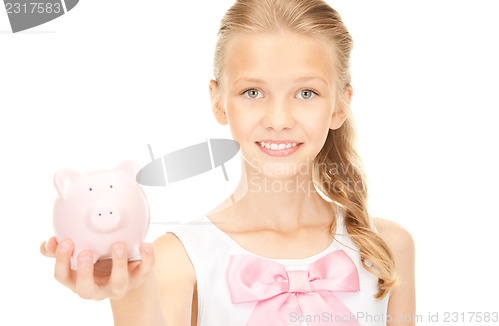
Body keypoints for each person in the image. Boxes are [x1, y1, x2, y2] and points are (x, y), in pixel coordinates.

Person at [40, 0, 416, 325]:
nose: (278, 118)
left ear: (340, 105)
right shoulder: (179, 257)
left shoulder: (388, 247)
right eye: (253, 92)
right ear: (218, 101)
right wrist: (128, 292)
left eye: (306, 92)